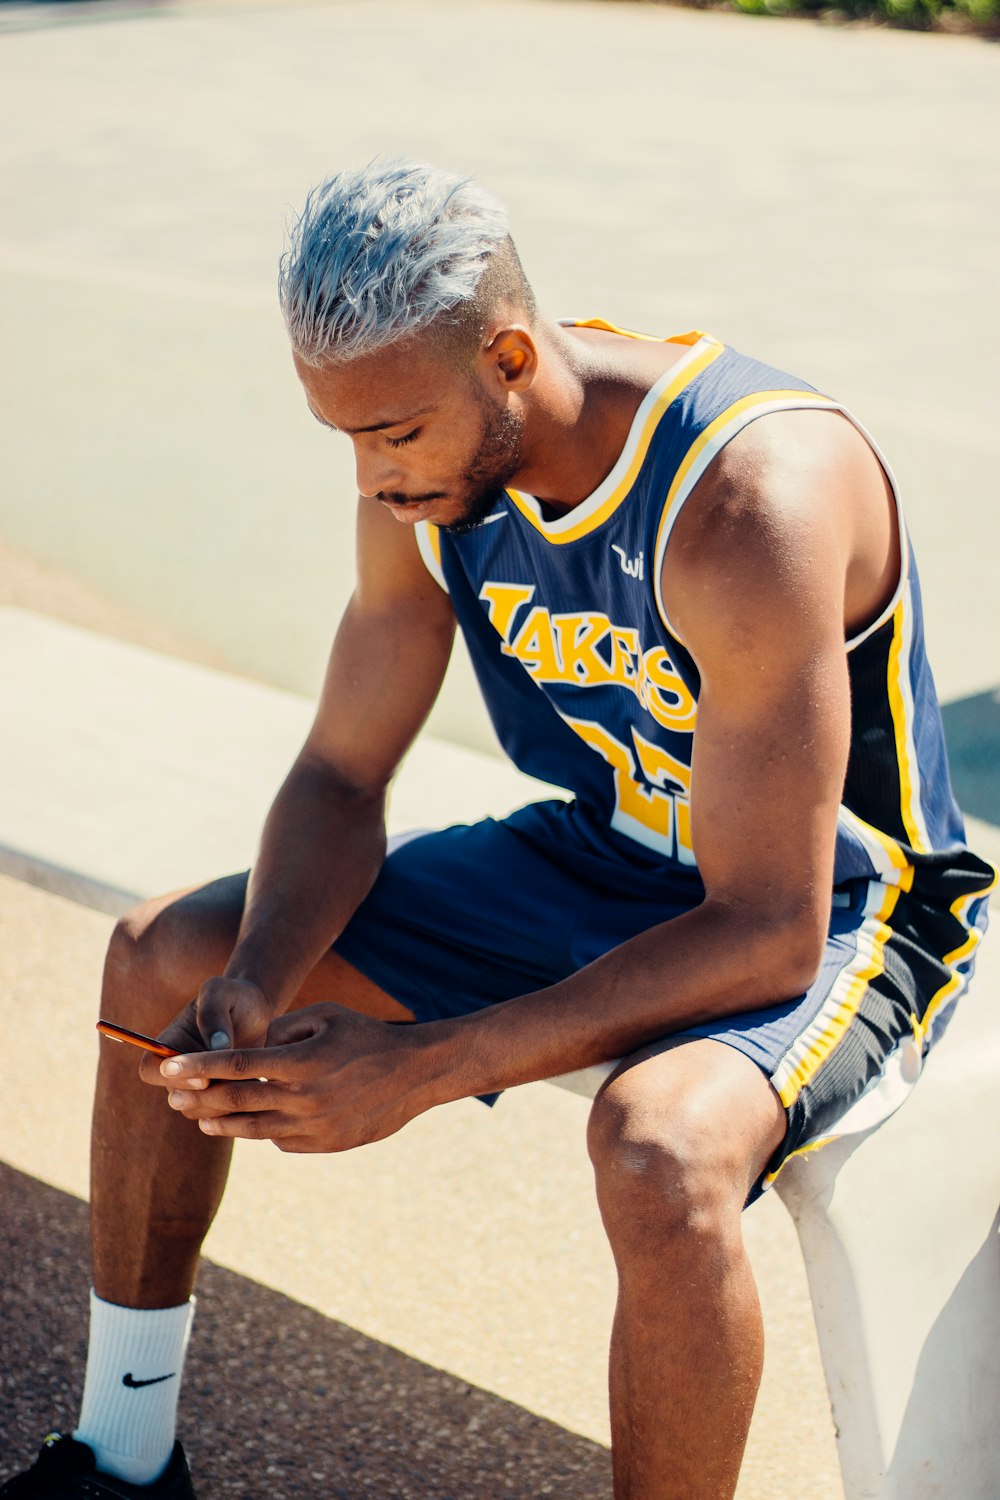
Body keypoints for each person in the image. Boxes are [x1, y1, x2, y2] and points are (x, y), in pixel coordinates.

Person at [3, 159, 994, 1500]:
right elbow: (343, 777)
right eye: (342, 436)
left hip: (836, 905)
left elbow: (764, 933)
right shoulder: (426, 483)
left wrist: (416, 1066)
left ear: (512, 355)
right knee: (161, 958)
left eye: (396, 431)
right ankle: (124, 1457)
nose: (369, 473)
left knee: (659, 1151)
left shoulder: (745, 497)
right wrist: (259, 974)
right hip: (605, 850)